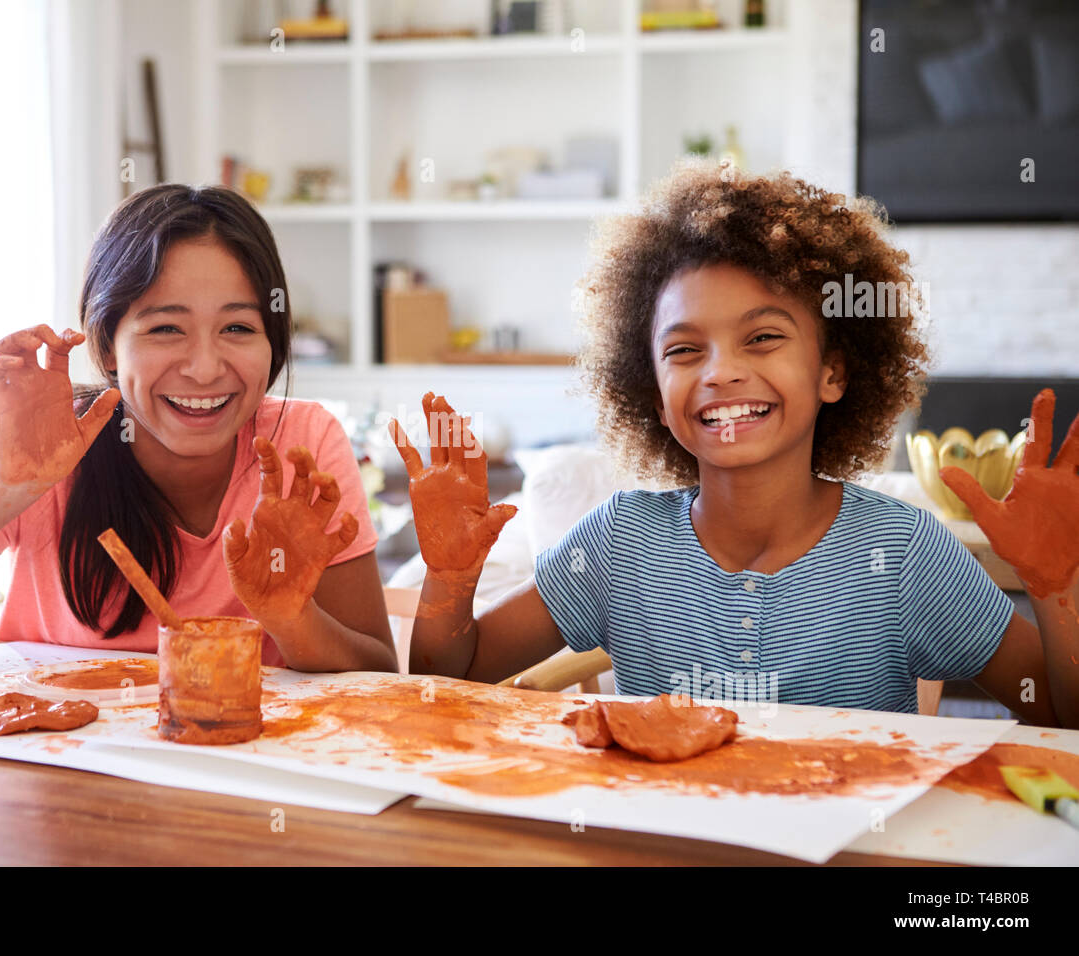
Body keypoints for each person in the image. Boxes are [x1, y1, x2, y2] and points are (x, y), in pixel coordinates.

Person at [392, 161, 1079, 728]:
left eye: (763, 337)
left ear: (833, 372)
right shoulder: (618, 543)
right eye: (685, 349)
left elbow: (1057, 716)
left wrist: (1055, 588)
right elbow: (444, 679)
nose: (719, 370)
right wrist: (450, 577)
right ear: (654, 394)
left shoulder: (902, 554)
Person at [0, 184, 396, 676]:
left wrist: (291, 616)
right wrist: (2, 487)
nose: (205, 366)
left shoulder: (302, 445)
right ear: (107, 346)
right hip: (57, 789)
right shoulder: (43, 442)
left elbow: (378, 676)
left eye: (238, 329)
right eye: (166, 329)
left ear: (274, 343)